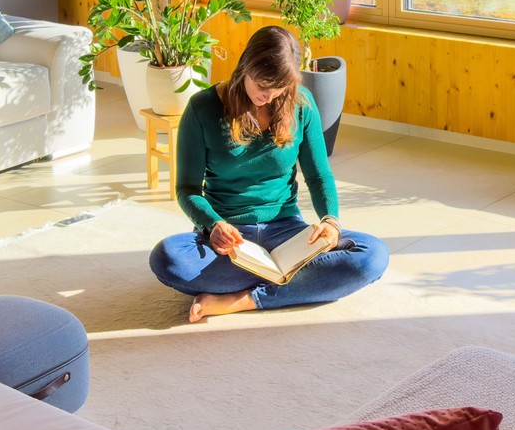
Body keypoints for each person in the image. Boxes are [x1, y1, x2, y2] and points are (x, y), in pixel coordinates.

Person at [149, 25, 388, 324]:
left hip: (288, 233)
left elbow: (318, 176)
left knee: (371, 255)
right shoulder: (203, 108)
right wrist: (214, 225)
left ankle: (242, 300)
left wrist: (331, 220)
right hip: (230, 242)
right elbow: (187, 189)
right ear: (246, 65)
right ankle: (294, 284)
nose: (269, 94)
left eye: (280, 87)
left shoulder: (301, 103)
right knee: (168, 259)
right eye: (263, 83)